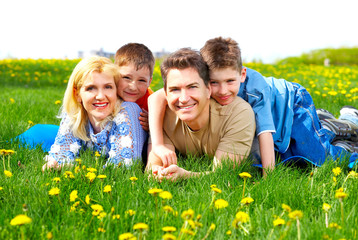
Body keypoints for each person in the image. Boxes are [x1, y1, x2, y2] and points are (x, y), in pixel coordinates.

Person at [200, 37, 358, 171]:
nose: (222, 90)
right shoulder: (204, 91)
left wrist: (268, 178)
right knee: (291, 159)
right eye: (214, 82)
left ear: (242, 75)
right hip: (277, 121)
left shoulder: (255, 90)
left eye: (230, 81)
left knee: (315, 156)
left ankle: (350, 124)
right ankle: (324, 123)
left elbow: (265, 132)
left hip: (293, 104)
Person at [146, 48, 255, 181]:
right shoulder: (162, 114)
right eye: (175, 89)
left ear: (208, 89)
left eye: (192, 87)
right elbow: (153, 169)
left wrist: (185, 176)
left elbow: (223, 174)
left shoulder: (238, 114)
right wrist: (159, 173)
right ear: (166, 93)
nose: (184, 98)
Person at [42, 56, 147, 171]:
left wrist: (77, 170)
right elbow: (59, 156)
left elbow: (124, 167)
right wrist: (54, 164)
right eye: (91, 88)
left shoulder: (127, 111)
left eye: (108, 87)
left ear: (116, 90)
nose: (101, 96)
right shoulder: (74, 114)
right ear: (77, 94)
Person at [115, 43, 156, 132]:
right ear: (114, 74)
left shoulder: (152, 101)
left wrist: (153, 124)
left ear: (149, 81)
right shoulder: (108, 94)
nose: (133, 87)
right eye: (126, 77)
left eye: (141, 80)